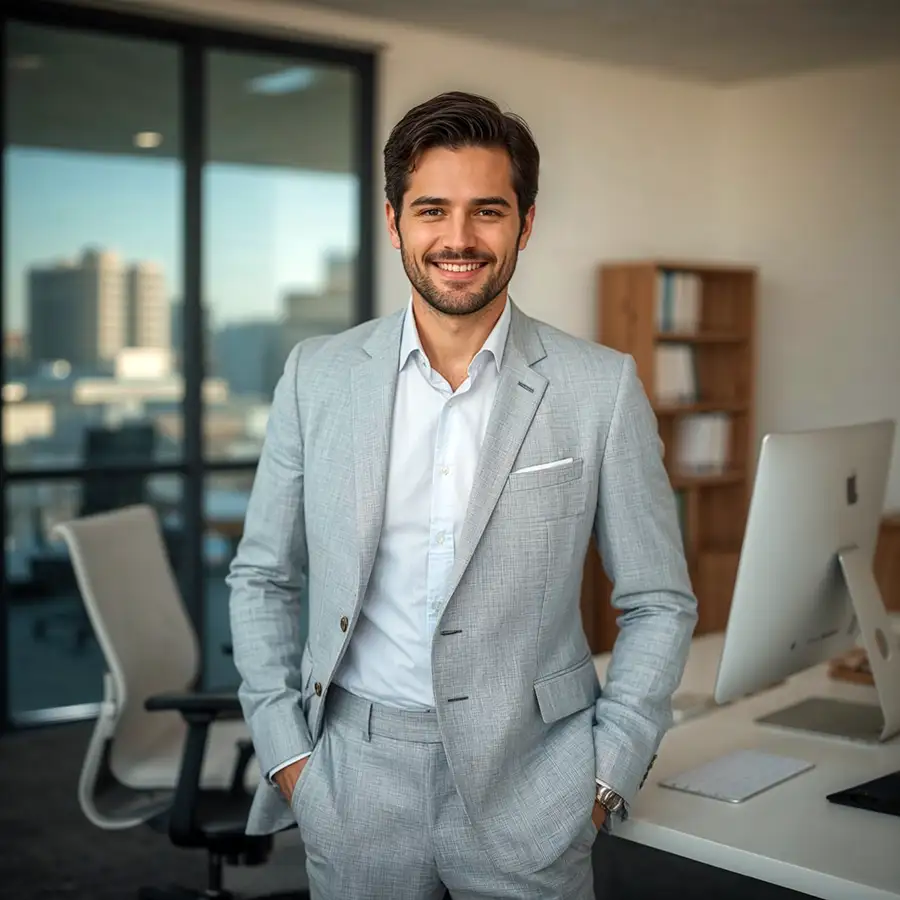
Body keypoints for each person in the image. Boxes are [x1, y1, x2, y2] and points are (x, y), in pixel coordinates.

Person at [228, 90, 698, 899]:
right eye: (431, 209)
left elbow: (659, 599)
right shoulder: (318, 374)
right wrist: (290, 761)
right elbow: (263, 576)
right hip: (354, 778)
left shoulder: (599, 388)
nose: (458, 238)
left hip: (537, 779)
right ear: (393, 222)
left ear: (525, 222)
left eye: (487, 211)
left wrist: (604, 777)